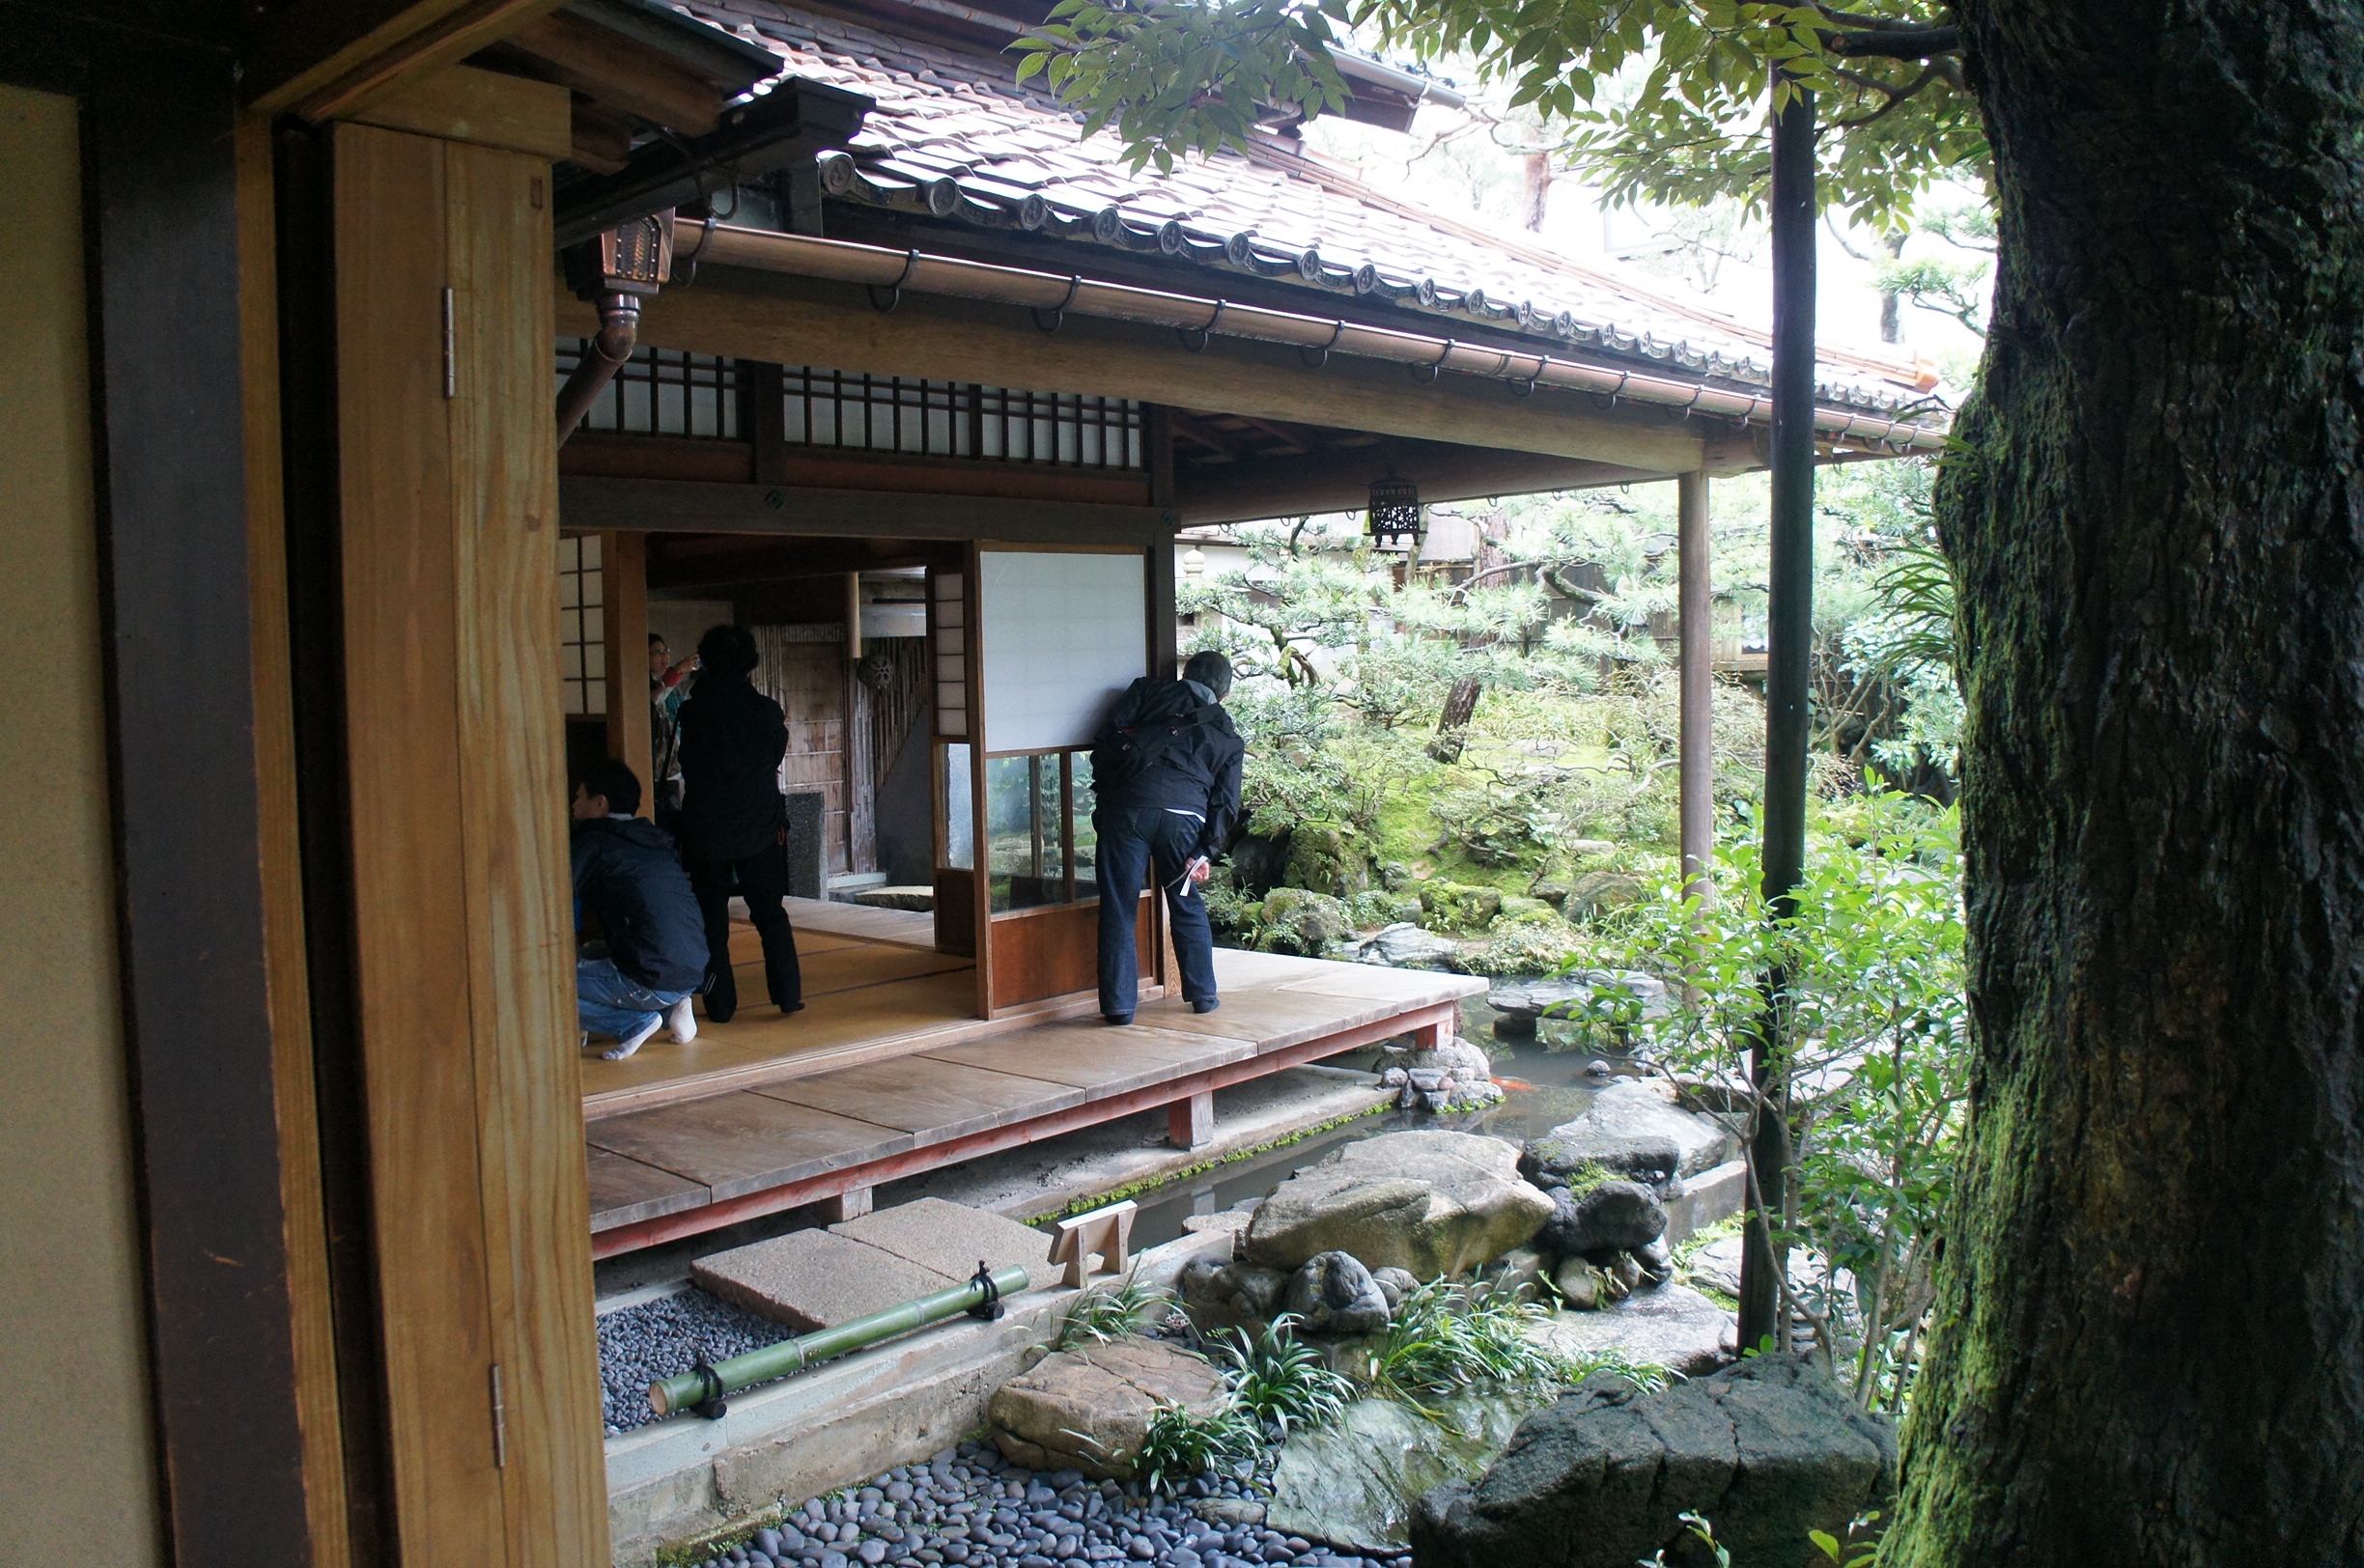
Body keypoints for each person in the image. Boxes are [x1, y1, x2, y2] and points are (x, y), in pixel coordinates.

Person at [1087, 650, 1244, 1025]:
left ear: (1185, 673)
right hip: (1184, 823)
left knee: (1120, 908)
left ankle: (1119, 1007)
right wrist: (1205, 850)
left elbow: (1105, 741)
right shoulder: (1226, 733)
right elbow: (1226, 802)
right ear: (1223, 693)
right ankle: (1203, 995)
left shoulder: (1145, 692)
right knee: (1185, 901)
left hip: (1127, 811)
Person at [676, 623, 802, 1022]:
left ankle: (720, 1005)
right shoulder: (765, 711)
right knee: (769, 912)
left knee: (711, 918)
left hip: (706, 827)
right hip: (759, 825)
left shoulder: (693, 711)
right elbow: (774, 754)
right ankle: (788, 994)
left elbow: (688, 764)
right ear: (749, 663)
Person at [570, 758, 707, 1061]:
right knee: (592, 952)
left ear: (600, 803)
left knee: (546, 983)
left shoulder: (594, 841)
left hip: (651, 975)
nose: (574, 805)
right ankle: (678, 1005)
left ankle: (633, 1022)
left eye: (579, 797)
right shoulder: (653, 838)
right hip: (692, 967)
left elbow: (557, 897)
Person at [648, 632, 697, 832]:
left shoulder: (669, 686)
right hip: (652, 767)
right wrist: (677, 670)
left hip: (670, 767)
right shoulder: (645, 685)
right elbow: (651, 701)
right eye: (657, 652)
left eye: (666, 651)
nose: (664, 656)